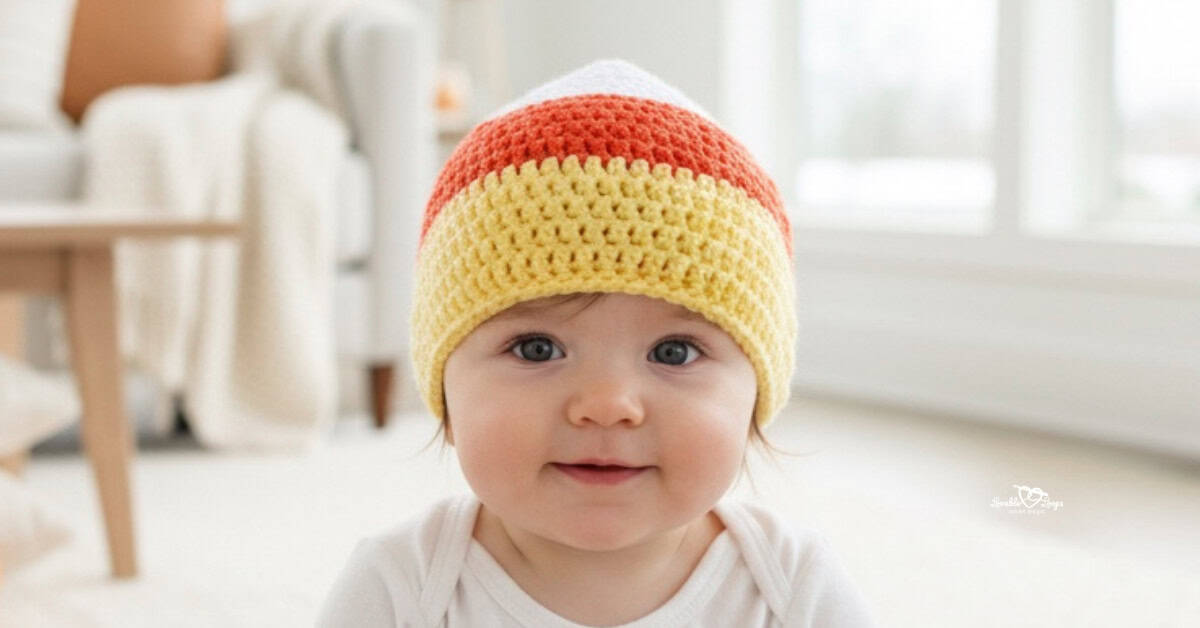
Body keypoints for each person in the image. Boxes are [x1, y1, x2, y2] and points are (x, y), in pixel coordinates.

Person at [316, 58, 878, 627]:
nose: (607, 405)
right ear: (442, 383)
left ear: (757, 392)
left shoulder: (793, 590)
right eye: (536, 348)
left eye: (674, 352)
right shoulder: (400, 587)